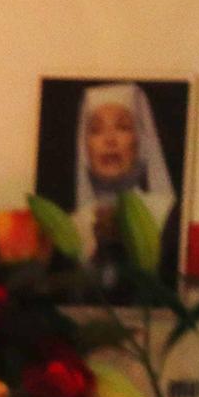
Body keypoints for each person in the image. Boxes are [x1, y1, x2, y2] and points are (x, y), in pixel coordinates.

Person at [70, 81, 176, 292]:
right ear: (84, 146)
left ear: (142, 141)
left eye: (123, 127)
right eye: (96, 130)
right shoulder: (72, 225)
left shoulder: (166, 214)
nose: (110, 140)